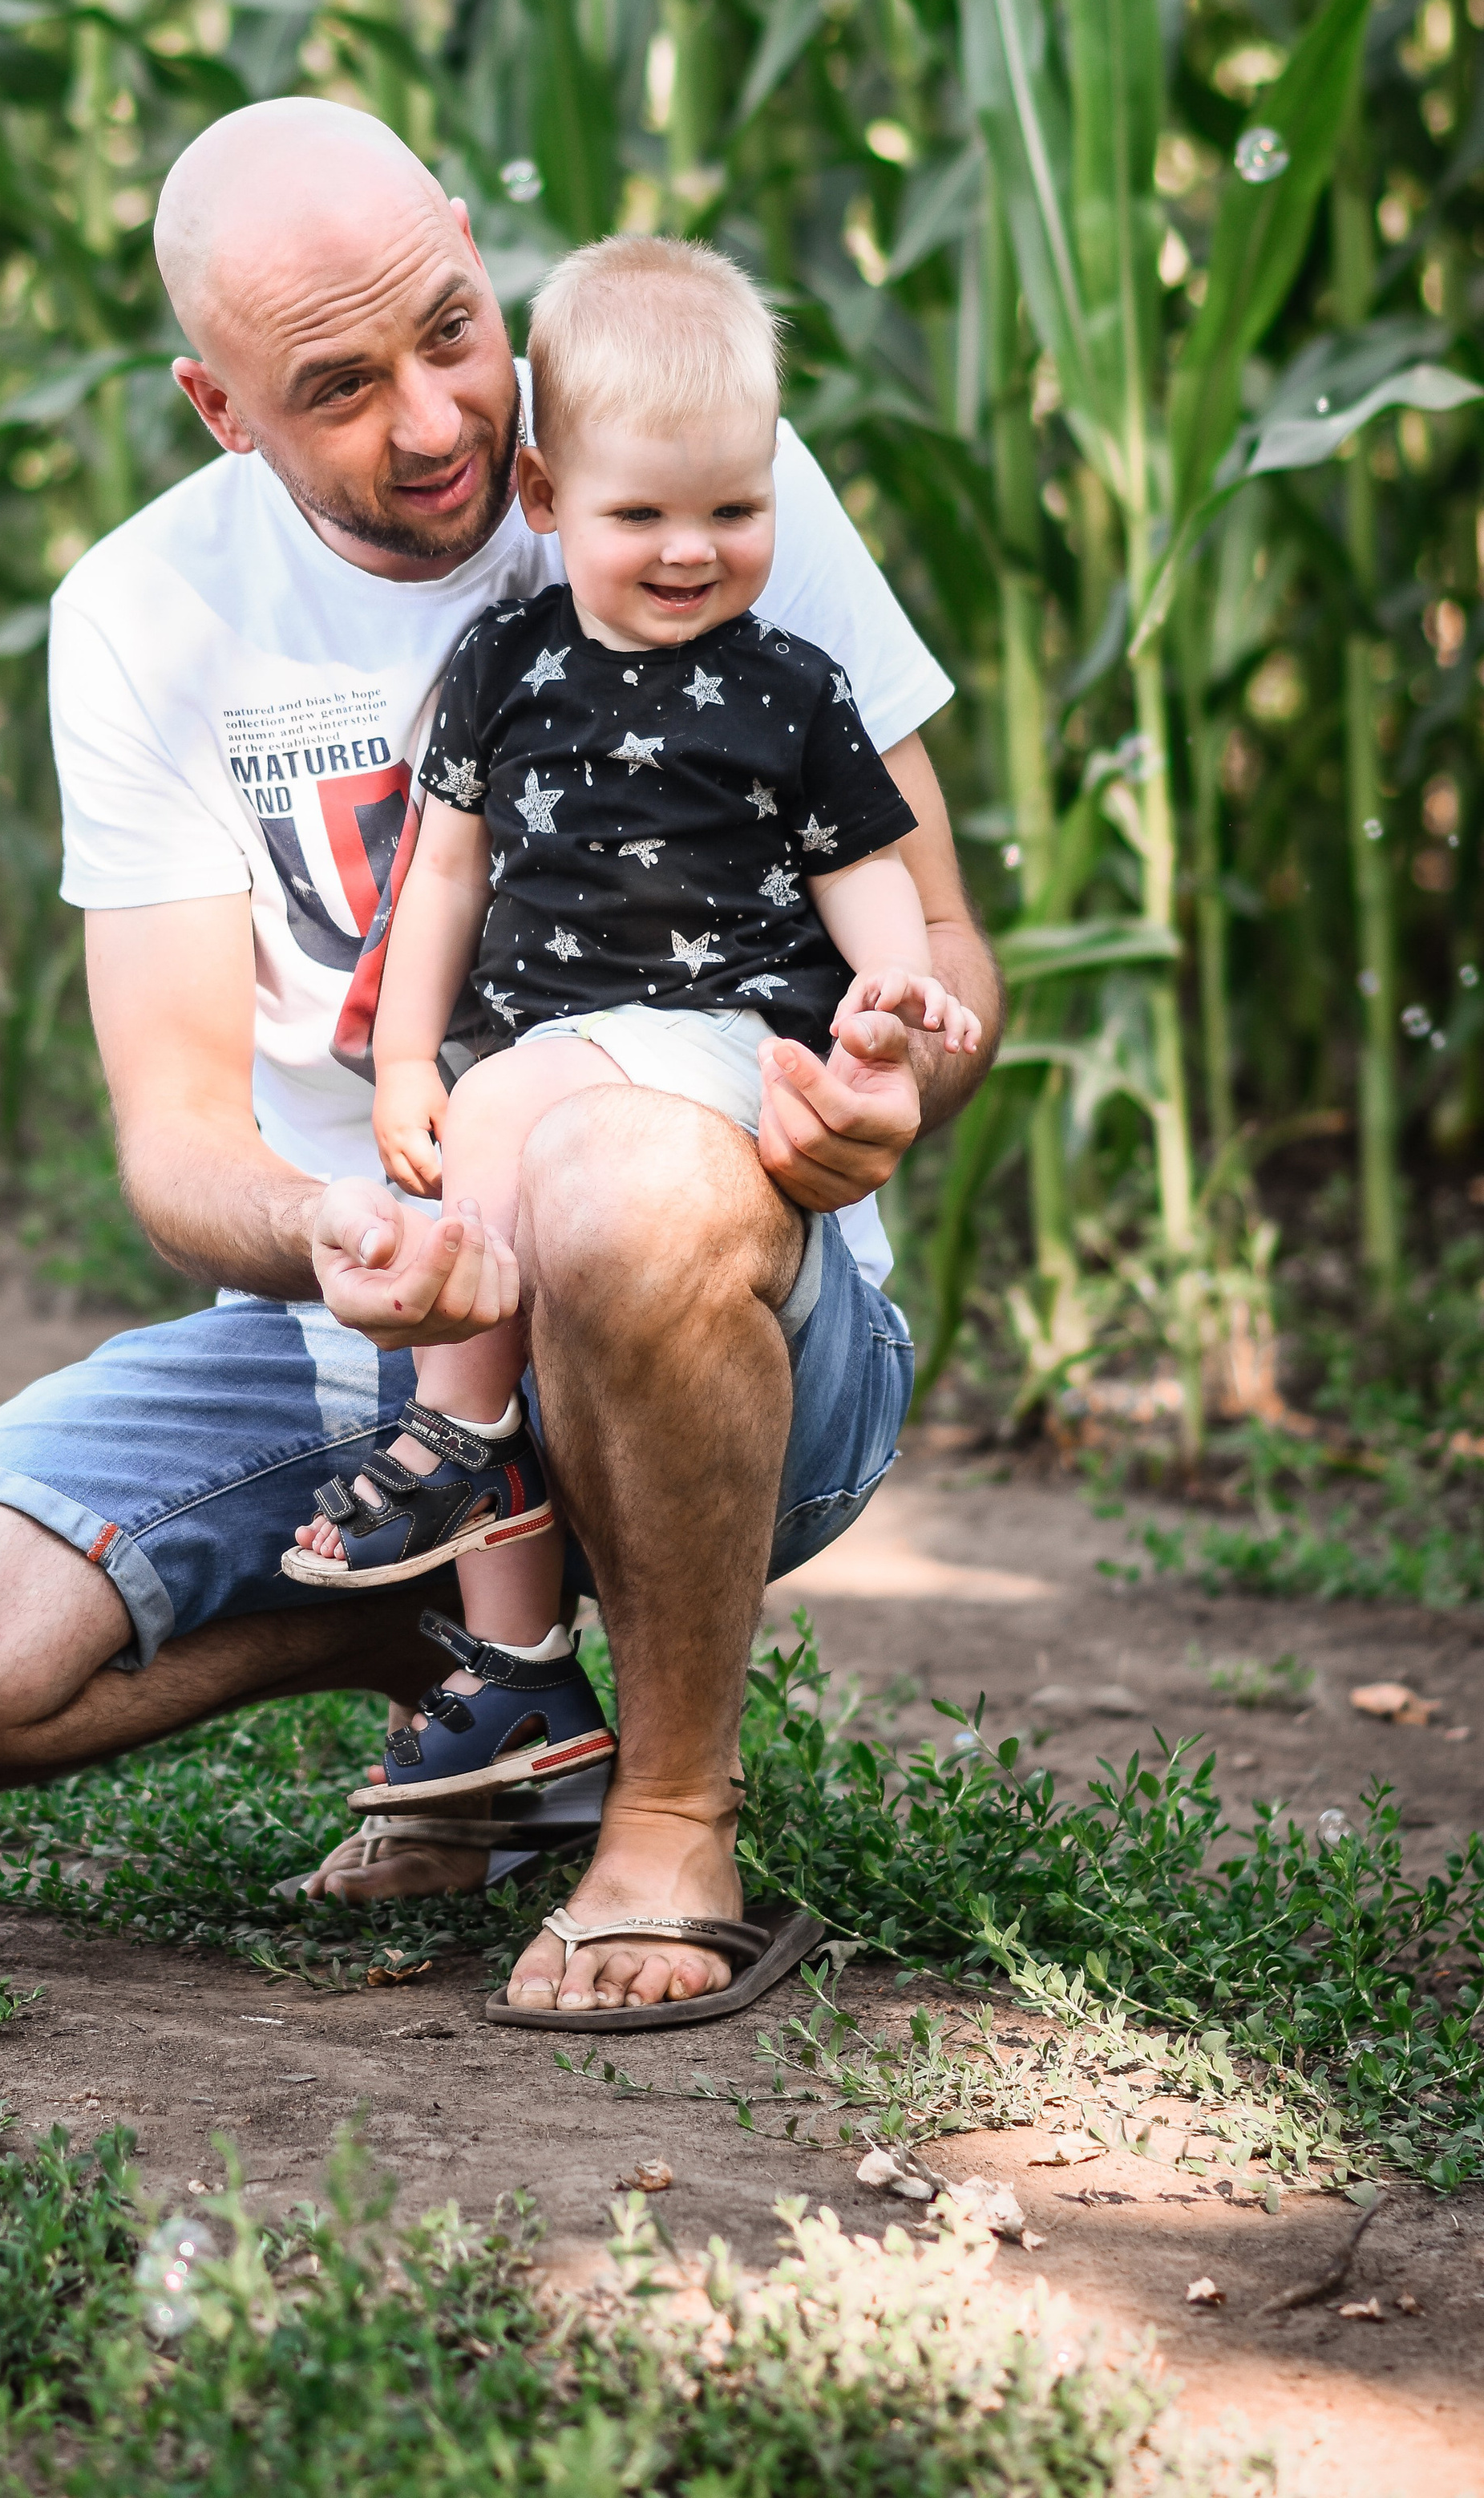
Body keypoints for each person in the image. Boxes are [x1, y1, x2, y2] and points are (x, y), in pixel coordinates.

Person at [0, 97, 1002, 2021]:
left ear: (466, 242)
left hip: (719, 1292)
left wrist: (884, 1093)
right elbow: (178, 1141)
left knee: (602, 1172)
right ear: (217, 408)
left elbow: (935, 952)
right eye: (334, 387)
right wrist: (334, 1227)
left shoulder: (690, 485)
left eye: (449, 328)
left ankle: (670, 1821)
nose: (432, 420)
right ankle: (459, 1657)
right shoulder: (144, 616)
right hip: (371, 1336)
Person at [278, 236, 981, 1828]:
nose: (689, 551)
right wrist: (401, 1063)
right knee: (478, 1224)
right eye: (639, 515)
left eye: (731, 512)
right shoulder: (502, 666)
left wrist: (887, 997)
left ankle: (455, 1436)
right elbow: (440, 873)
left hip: (716, 1051)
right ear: (541, 498)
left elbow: (862, 869)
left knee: (510, 1165)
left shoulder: (790, 689)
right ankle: (516, 1682)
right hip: (535, 1072)